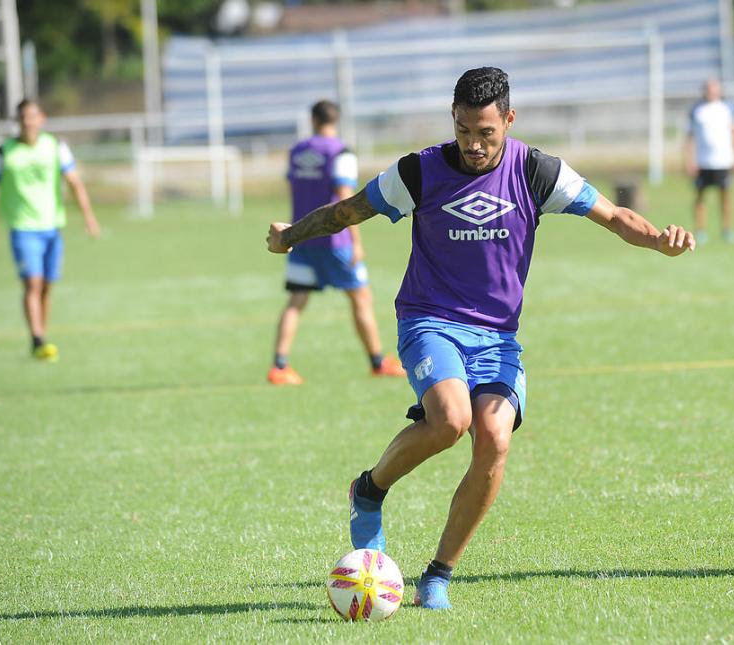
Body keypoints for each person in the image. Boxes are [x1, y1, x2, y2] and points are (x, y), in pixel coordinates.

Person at [267, 67, 694, 608]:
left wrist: (659, 241)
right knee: (450, 421)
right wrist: (291, 235)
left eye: (486, 132)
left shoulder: (539, 172)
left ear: (509, 121)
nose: (473, 143)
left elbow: (612, 215)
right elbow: (348, 211)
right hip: (430, 319)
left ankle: (439, 575)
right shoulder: (419, 173)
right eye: (464, 130)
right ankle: (369, 491)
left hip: (496, 336)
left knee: (495, 437)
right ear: (454, 120)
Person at [267, 100, 405, 385]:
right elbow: (345, 197)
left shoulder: (297, 151)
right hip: (335, 241)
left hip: (301, 237)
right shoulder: (340, 152)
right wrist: (356, 242)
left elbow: (293, 187)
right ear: (336, 120)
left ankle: (279, 367)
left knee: (296, 301)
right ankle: (377, 361)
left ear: (312, 120)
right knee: (361, 297)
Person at [0, 99, 99, 361]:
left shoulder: (55, 147)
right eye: (23, 118)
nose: (28, 122)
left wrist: (88, 217)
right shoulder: (5, 152)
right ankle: (37, 338)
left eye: (32, 117)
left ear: (42, 118)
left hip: (52, 227)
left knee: (46, 286)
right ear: (17, 121)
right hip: (22, 228)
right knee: (33, 282)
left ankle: (41, 334)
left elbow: (75, 182)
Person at [683, 78, 734, 244]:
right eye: (708, 89)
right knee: (700, 197)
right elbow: (690, 138)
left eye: (714, 89)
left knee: (726, 197)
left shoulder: (727, 108)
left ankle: (727, 230)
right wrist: (689, 160)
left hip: (723, 161)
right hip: (702, 162)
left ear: (719, 91)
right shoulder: (696, 110)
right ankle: (700, 231)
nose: (711, 92)